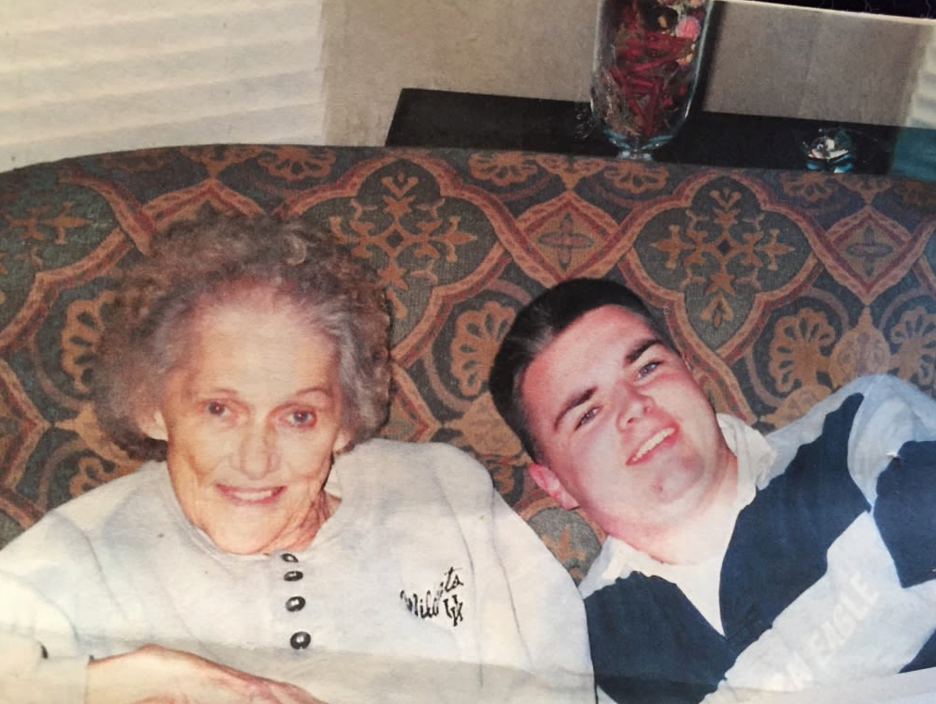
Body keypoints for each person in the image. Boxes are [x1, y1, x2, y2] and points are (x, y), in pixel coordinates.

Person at [0, 216, 593, 704]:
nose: (256, 461)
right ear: (153, 407)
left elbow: (555, 681)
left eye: (299, 416)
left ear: (344, 420)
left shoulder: (441, 493)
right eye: (219, 409)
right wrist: (135, 679)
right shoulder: (85, 548)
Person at [489, 277, 936, 704]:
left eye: (647, 368)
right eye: (587, 414)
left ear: (690, 371)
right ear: (556, 485)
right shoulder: (585, 649)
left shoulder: (858, 423)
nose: (635, 406)